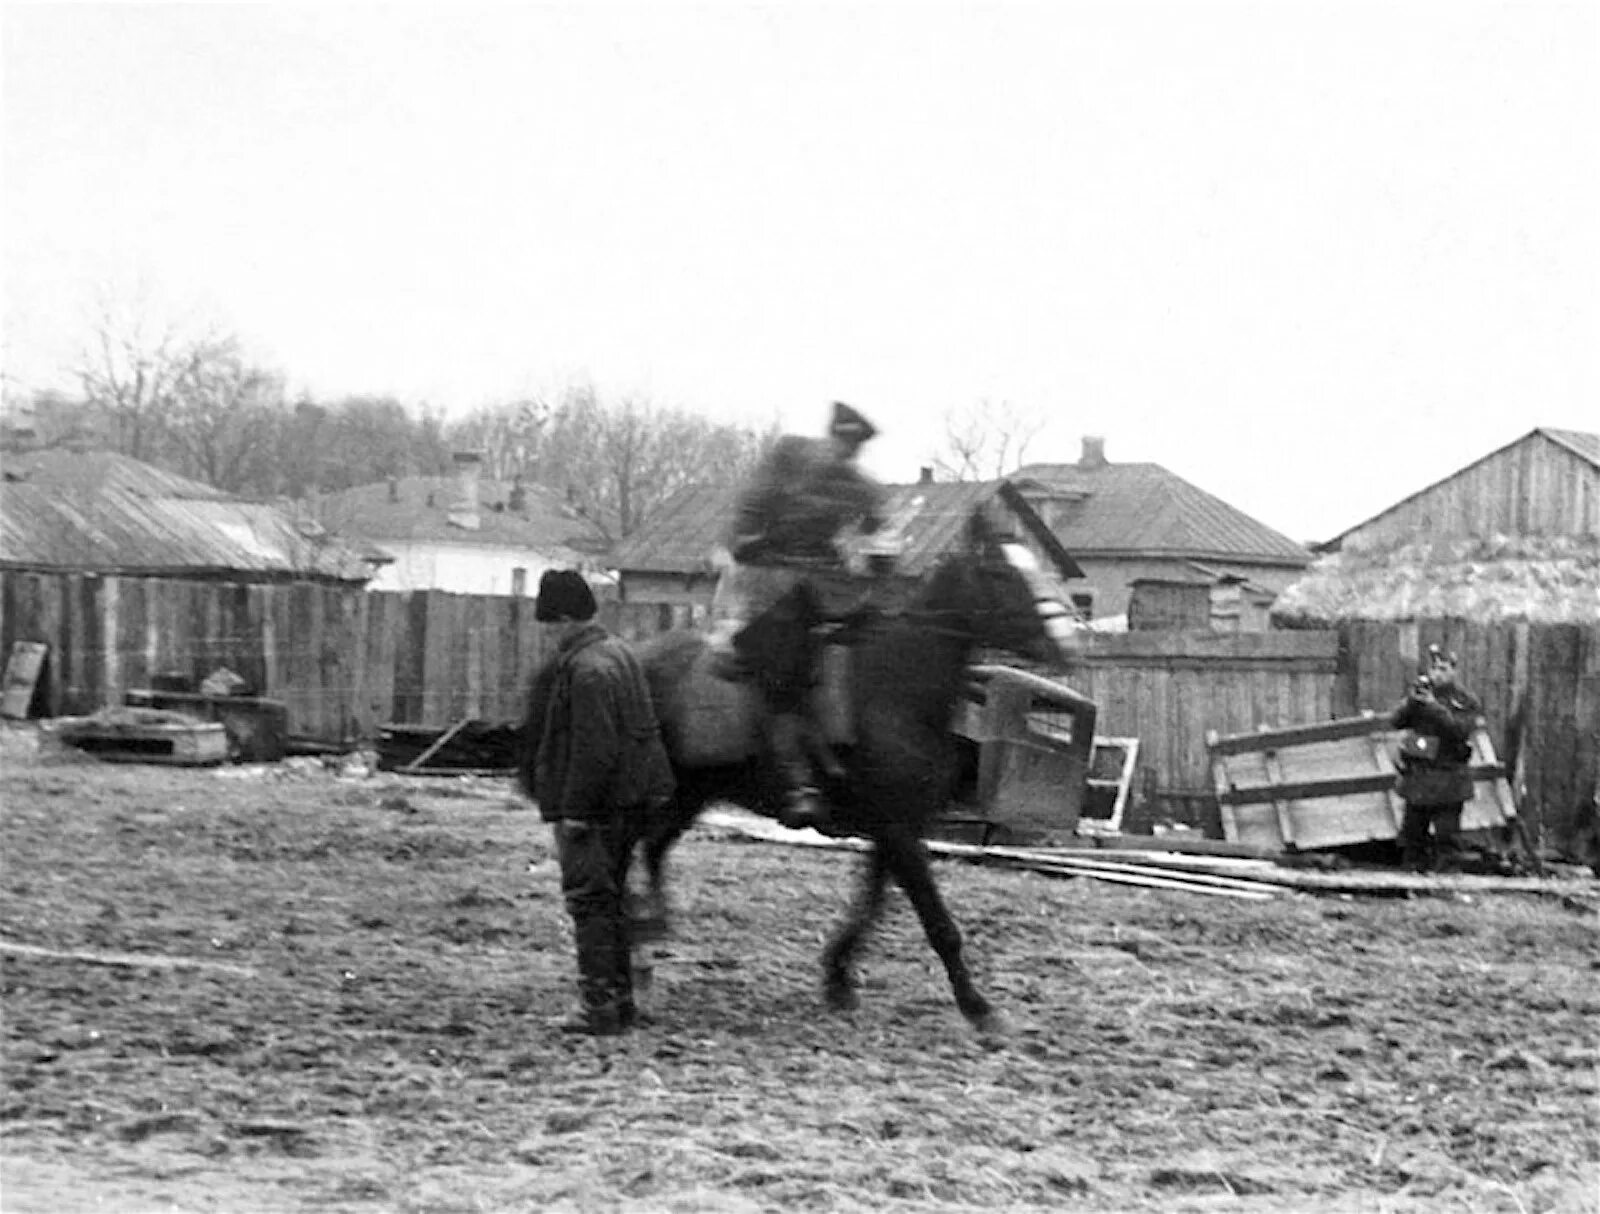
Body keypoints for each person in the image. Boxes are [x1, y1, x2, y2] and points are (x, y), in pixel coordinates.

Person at [710, 401, 889, 831]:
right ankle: (797, 782)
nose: (846, 453)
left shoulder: (861, 486)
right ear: (831, 434)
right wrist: (734, 545)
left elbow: (878, 534)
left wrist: (880, 554)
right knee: (784, 671)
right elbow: (750, 507)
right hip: (768, 580)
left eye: (853, 447)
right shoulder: (790, 457)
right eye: (842, 442)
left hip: (827, 585)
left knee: (876, 644)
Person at [518, 569, 675, 1036]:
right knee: (612, 901)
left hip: (599, 808)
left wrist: (575, 812)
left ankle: (598, 1006)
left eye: (549, 624)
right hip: (632, 801)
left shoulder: (586, 670)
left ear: (566, 619)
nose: (547, 634)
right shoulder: (619, 653)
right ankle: (622, 1002)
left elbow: (594, 749)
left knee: (589, 902)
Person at [1391, 644, 1484, 873]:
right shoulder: (1420, 696)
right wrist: (1411, 703)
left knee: (1447, 837)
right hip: (1419, 777)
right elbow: (1396, 721)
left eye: (1443, 669)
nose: (1437, 674)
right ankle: (1411, 880)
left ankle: (1447, 880)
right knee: (1412, 836)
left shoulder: (1465, 700)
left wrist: (1435, 707)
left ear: (1454, 671)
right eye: (1434, 669)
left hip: (1448, 777)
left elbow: (1459, 731)